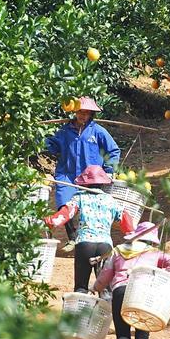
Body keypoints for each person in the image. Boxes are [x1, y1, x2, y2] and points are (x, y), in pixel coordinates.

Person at [92, 221, 170, 339]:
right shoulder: (155, 253)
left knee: (122, 332)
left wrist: (95, 288)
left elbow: (105, 275)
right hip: (143, 293)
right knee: (142, 337)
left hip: (120, 291)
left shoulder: (118, 250)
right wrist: (163, 276)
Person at [44, 97, 121, 252]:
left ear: (91, 114)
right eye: (80, 112)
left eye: (86, 113)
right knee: (64, 202)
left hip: (91, 177)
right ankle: (72, 237)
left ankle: (92, 237)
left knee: (90, 205)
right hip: (67, 174)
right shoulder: (65, 131)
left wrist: (108, 171)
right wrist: (39, 138)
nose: (82, 115)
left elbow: (113, 151)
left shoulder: (98, 131)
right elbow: (51, 145)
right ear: (75, 112)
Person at [44, 165, 134, 293]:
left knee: (81, 287)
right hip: (105, 247)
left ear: (85, 183)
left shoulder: (79, 197)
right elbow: (125, 219)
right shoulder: (111, 200)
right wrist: (133, 236)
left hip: (84, 244)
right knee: (105, 289)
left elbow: (65, 214)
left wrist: (50, 221)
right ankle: (106, 305)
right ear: (103, 184)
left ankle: (80, 303)